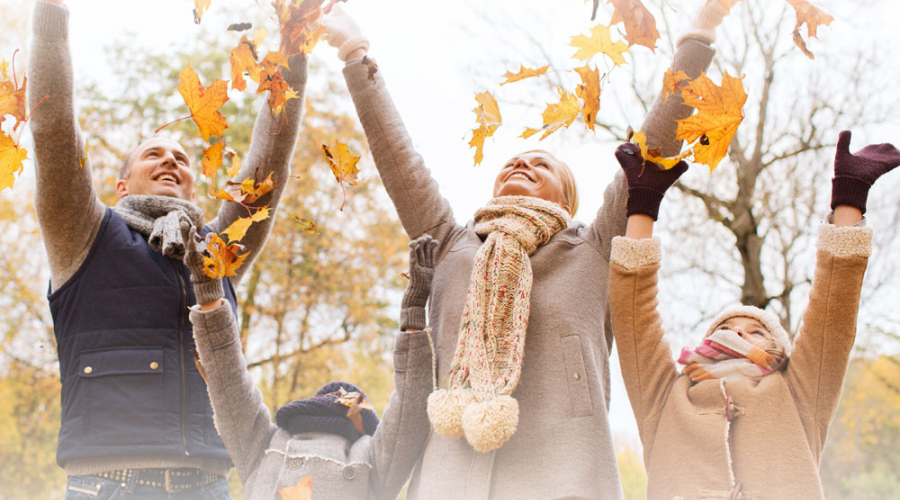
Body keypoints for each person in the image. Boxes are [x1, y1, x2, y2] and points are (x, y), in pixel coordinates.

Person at [322, 2, 732, 498]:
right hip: (451, 482)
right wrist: (354, 52)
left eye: (540, 162)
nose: (521, 163)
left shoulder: (595, 246)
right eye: (513, 161)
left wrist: (698, 38)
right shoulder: (453, 243)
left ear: (567, 196)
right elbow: (396, 155)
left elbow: (653, 143)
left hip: (566, 480)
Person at [27, 1, 307, 497]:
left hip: (206, 483)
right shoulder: (84, 234)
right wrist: (51, 13)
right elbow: (53, 132)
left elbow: (267, 172)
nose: (170, 160)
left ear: (196, 187)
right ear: (120, 185)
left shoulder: (214, 253)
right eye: (153, 154)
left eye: (180, 157)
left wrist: (295, 47)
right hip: (107, 482)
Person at [607, 130, 900, 499]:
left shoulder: (798, 391)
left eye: (757, 332)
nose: (740, 333)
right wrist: (643, 205)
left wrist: (849, 199)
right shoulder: (670, 395)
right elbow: (635, 318)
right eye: (726, 328)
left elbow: (833, 315)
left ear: (781, 350)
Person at [184, 233, 436, 500]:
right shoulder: (371, 457)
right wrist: (413, 316)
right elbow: (410, 410)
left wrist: (209, 297)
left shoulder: (266, 446)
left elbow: (229, 387)